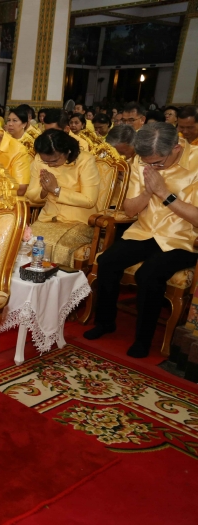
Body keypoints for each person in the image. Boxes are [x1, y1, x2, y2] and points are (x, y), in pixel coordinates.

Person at [85, 123, 198, 358]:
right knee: (107, 262)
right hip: (144, 231)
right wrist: (148, 191)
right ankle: (106, 322)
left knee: (148, 274)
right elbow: (129, 209)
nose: (152, 167)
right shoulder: (142, 161)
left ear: (176, 148)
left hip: (183, 238)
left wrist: (164, 194)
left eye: (157, 162)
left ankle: (143, 340)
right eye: (148, 163)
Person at [26, 129, 99, 267]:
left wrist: (56, 190)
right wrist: (44, 190)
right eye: (45, 161)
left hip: (79, 221)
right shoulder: (39, 160)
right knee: (27, 242)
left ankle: (57, 285)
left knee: (58, 247)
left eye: (54, 160)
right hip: (48, 218)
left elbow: (89, 200)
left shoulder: (85, 160)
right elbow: (31, 195)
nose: (49, 164)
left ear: (67, 151)